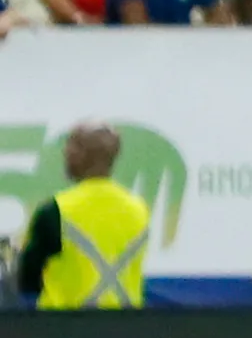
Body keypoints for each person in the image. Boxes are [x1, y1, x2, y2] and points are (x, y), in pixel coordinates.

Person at [14, 122, 151, 309]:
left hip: (63, 328)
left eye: (71, 145)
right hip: (127, 327)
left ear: (84, 155)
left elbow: (27, 280)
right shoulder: (139, 209)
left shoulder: (56, 210)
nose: (64, 153)